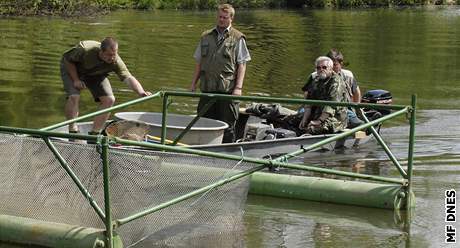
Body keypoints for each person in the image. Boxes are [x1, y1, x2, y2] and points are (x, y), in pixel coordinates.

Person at [61, 37, 151, 135]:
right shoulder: (85, 49)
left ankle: (94, 133)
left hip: (95, 74)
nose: (112, 58)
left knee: (109, 100)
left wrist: (141, 92)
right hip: (73, 69)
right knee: (74, 97)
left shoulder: (116, 61)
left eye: (114, 54)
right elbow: (67, 59)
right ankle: (73, 130)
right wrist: (76, 80)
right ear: (101, 51)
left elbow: (128, 78)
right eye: (109, 55)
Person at [190, 3, 251, 143]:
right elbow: (199, 63)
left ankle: (227, 154)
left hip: (227, 90)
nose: (221, 20)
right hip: (207, 89)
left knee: (228, 125)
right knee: (204, 122)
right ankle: (204, 151)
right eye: (219, 17)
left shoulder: (238, 38)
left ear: (231, 19)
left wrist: (238, 88)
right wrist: (193, 83)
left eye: (225, 17)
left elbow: (242, 64)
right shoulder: (206, 36)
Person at [299, 56, 348, 135]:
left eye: (324, 67)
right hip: (317, 114)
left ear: (331, 68)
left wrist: (318, 121)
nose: (321, 69)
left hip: (335, 118)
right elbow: (309, 103)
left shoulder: (336, 82)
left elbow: (331, 106)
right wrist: (304, 119)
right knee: (289, 120)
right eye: (318, 68)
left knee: (312, 128)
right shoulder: (316, 80)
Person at [326, 49, 363, 128]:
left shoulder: (348, 75)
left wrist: (357, 109)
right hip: (323, 108)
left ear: (341, 64)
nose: (331, 68)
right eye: (329, 65)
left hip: (343, 109)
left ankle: (367, 125)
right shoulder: (319, 74)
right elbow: (307, 94)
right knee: (301, 113)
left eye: (334, 65)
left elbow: (357, 93)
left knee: (359, 123)